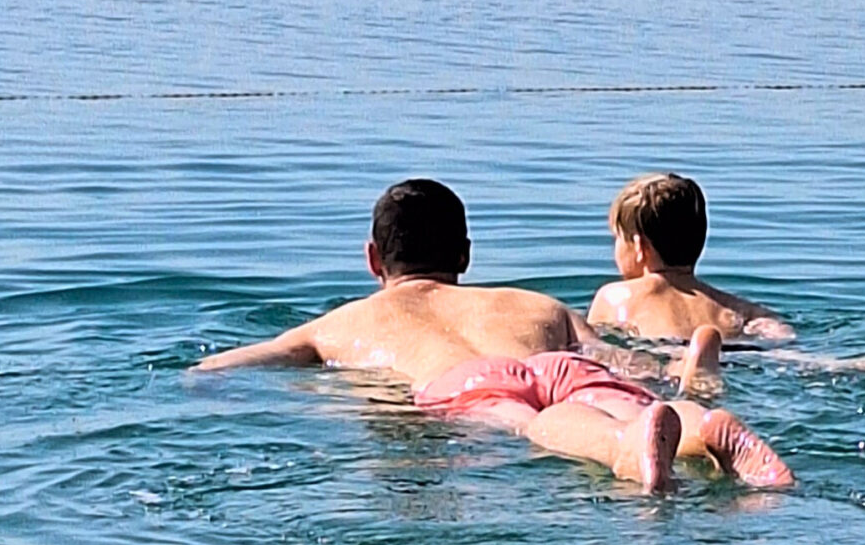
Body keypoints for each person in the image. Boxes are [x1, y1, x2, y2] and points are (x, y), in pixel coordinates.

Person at [191, 178, 791, 493]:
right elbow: (620, 360)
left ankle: (623, 452)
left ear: (374, 260)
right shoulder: (533, 303)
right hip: (560, 364)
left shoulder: (341, 323)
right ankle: (699, 426)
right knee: (613, 398)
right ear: (466, 255)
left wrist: (197, 374)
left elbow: (238, 365)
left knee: (536, 425)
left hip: (471, 385)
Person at [586, 172, 865, 392]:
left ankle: (696, 366)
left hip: (667, 355)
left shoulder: (617, 297)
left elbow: (591, 350)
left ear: (638, 247)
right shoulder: (726, 304)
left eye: (616, 239)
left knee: (640, 372)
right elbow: (778, 332)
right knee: (827, 367)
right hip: (748, 351)